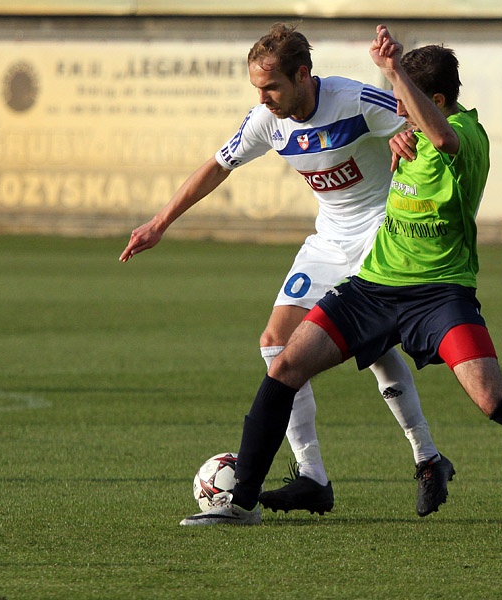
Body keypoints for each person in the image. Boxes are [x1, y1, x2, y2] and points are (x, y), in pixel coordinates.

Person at [180, 24, 502, 528]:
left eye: (402, 98)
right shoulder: (400, 135)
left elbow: (444, 137)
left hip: (440, 294)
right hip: (375, 288)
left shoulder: (467, 138)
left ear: (432, 98)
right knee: (283, 364)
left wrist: (392, 70)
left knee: (492, 398)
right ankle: (243, 504)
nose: (395, 110)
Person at [120, 23, 455, 518]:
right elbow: (217, 165)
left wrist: (402, 138)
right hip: (328, 241)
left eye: (271, 86)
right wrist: (160, 222)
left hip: (381, 235)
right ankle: (313, 475)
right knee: (275, 341)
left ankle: (426, 455)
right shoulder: (267, 120)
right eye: (257, 88)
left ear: (303, 75)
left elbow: (421, 126)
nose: (263, 97)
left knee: (374, 348)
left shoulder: (355, 100)